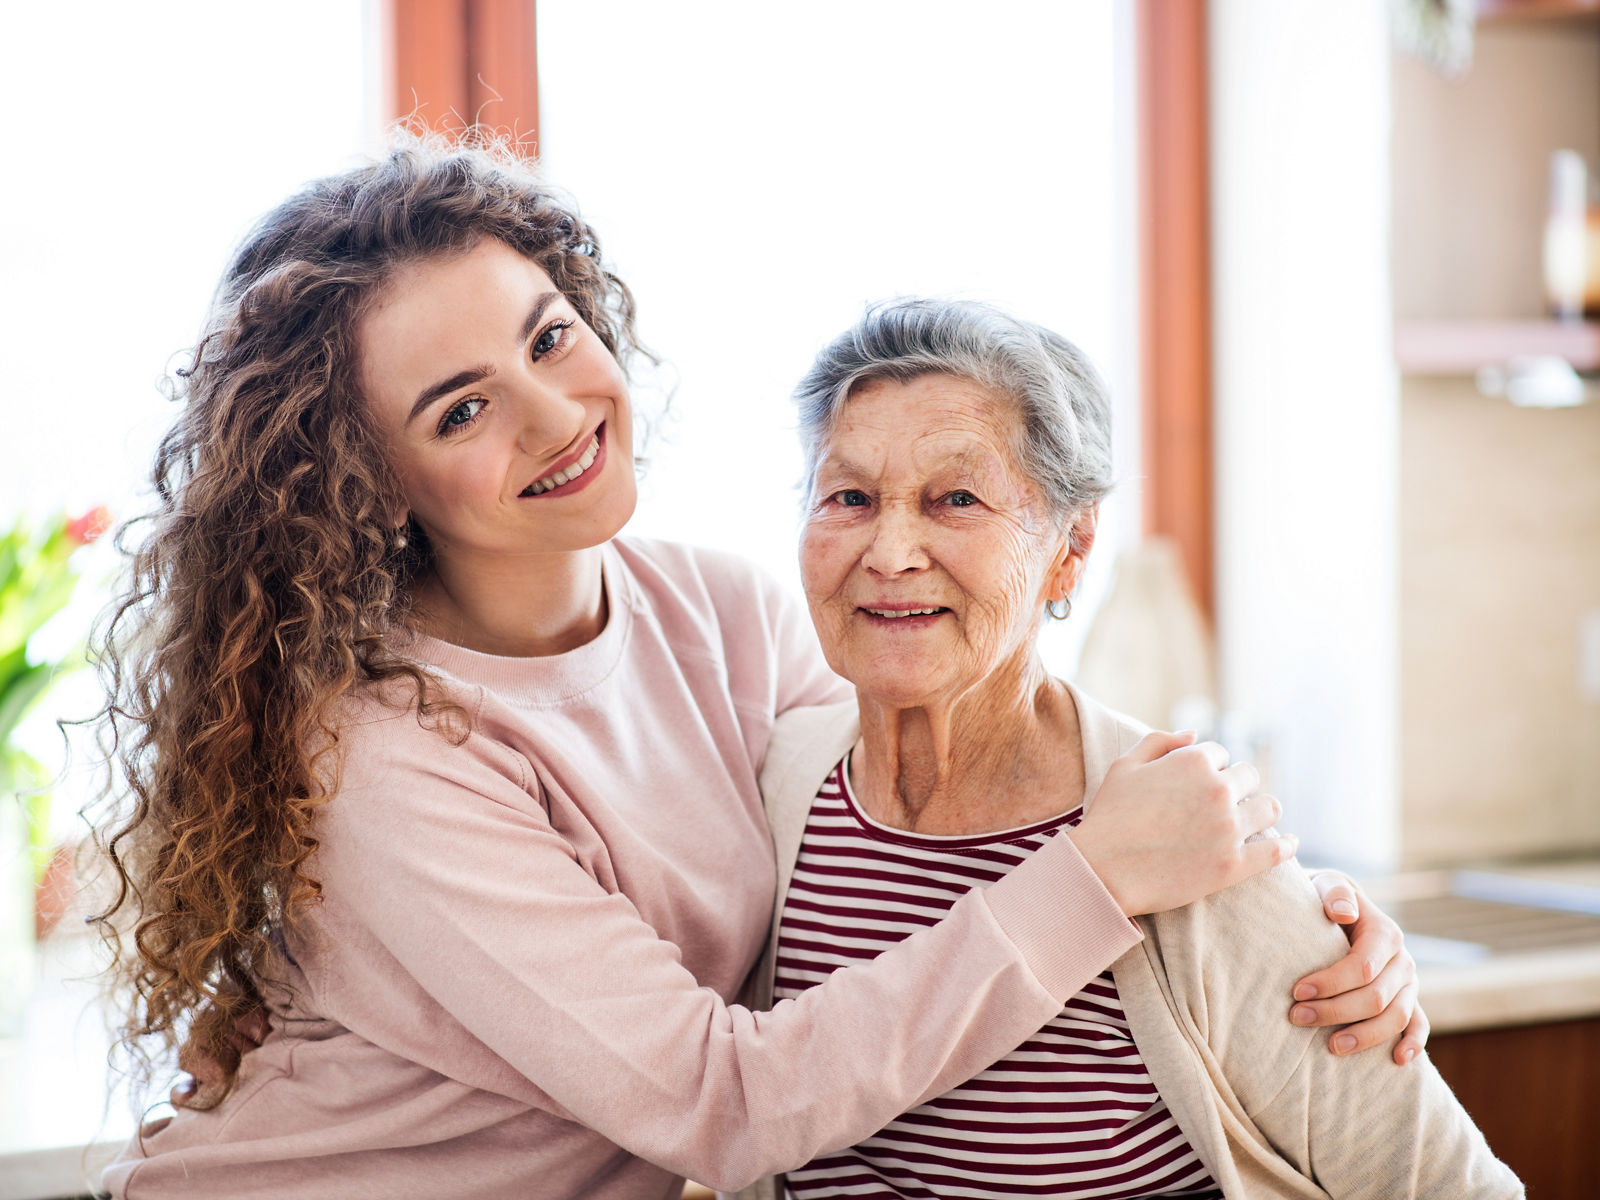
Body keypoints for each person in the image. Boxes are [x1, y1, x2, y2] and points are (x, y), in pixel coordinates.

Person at [92, 137, 1421, 1200]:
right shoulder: (389, 757)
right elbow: (723, 1106)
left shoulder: (718, 611)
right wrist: (1108, 873)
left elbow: (922, 803)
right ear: (369, 482)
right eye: (464, 407)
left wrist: (1290, 912)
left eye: (550, 337)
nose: (559, 414)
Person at [735, 298, 1520, 1199]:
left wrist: (1295, 921)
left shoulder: (1190, 848)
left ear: (1071, 548)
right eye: (850, 497)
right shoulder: (777, 785)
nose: (891, 549)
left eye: (956, 499)